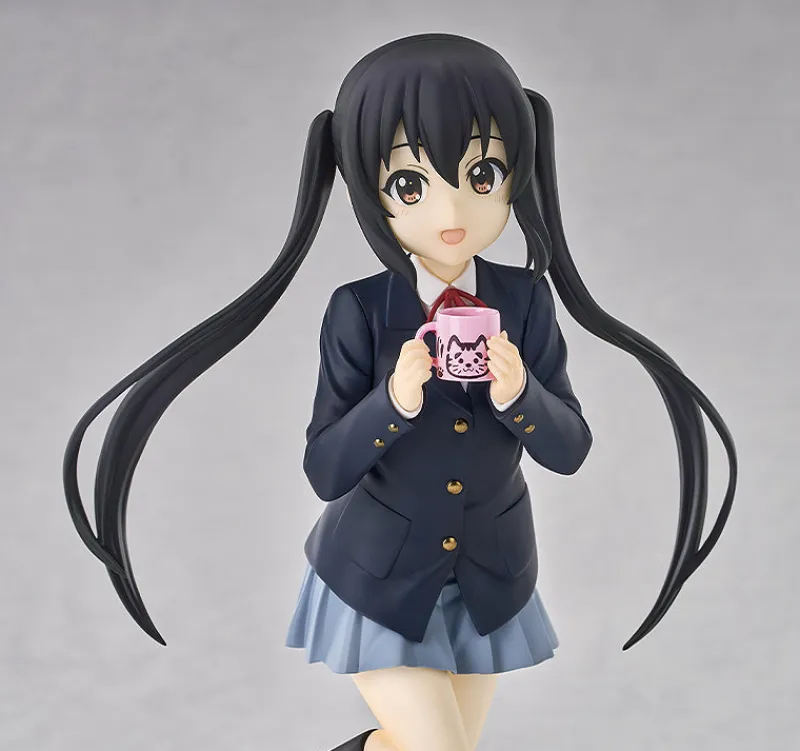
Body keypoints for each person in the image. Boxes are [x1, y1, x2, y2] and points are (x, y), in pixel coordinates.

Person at [63, 33, 737, 751]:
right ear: (366, 188)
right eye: (411, 185)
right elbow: (326, 469)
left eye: (482, 174)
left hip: (491, 575)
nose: (451, 210)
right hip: (378, 574)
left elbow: (569, 450)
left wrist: (520, 395)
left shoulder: (526, 300)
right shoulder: (360, 308)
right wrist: (394, 401)